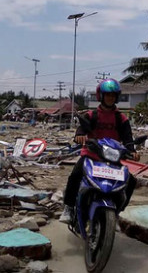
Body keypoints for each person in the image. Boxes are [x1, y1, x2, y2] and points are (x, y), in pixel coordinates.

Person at [59, 78, 139, 224]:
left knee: (131, 181)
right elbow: (81, 128)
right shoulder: (91, 115)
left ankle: (117, 212)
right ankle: (68, 208)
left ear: (117, 97)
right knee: (75, 175)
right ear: (100, 96)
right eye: (107, 95)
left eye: (113, 95)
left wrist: (132, 151)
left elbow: (128, 138)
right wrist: (80, 136)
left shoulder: (121, 118)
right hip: (91, 155)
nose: (110, 98)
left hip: (112, 159)